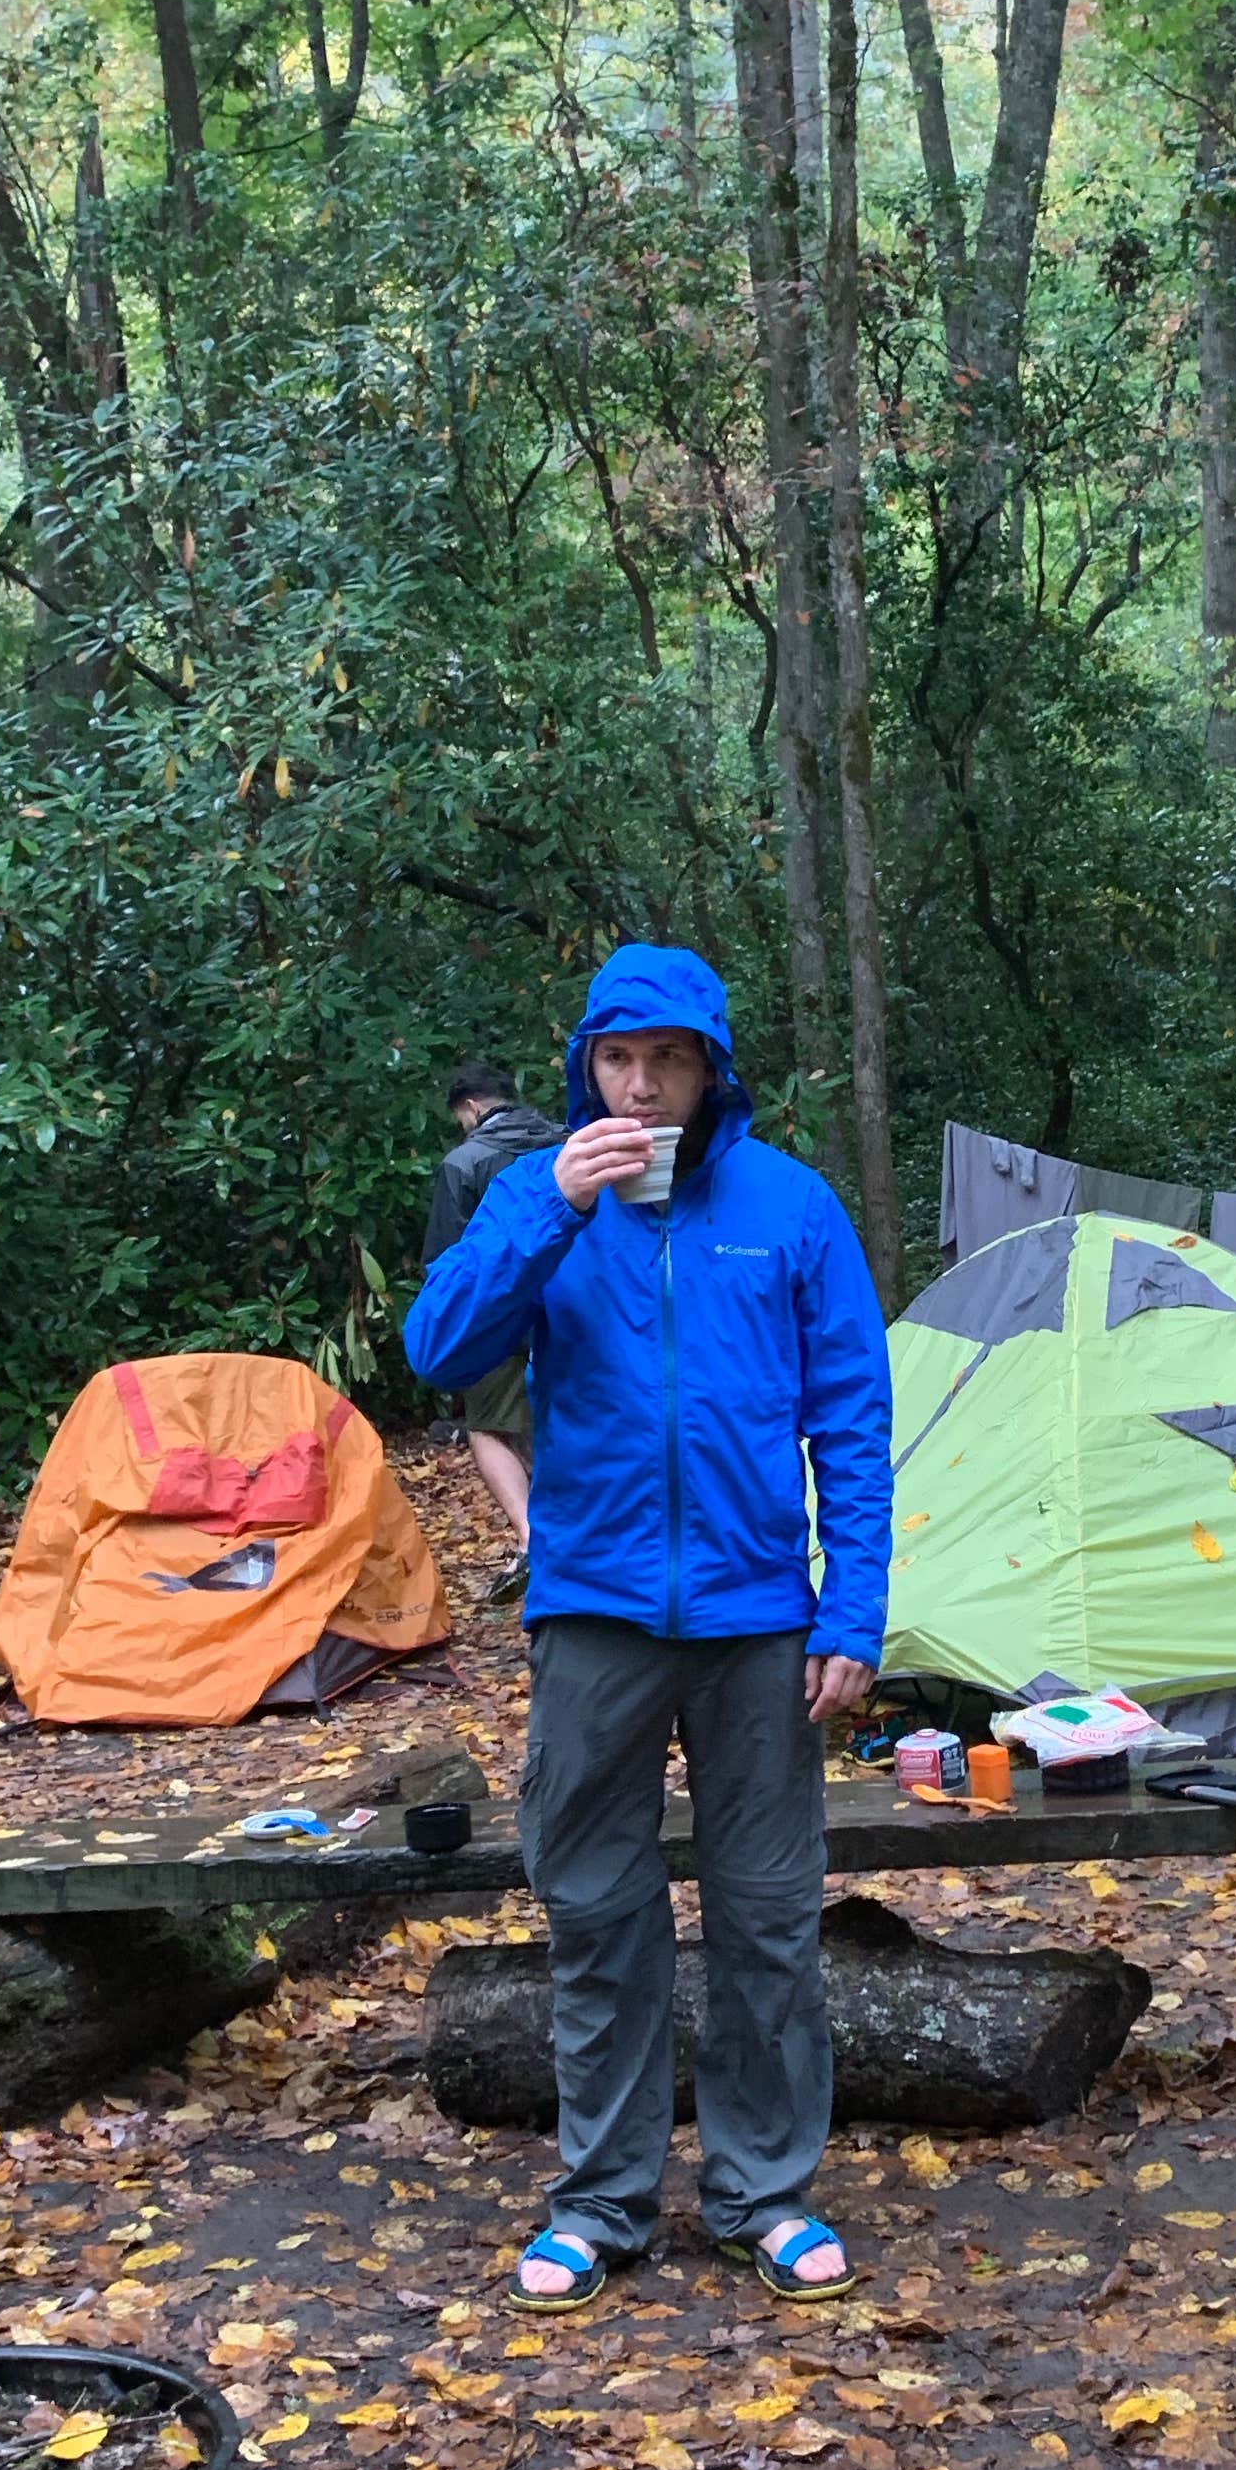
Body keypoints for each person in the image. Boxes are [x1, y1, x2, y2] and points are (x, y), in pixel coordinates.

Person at [403, 944, 890, 2313]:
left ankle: (762, 2194)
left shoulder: (789, 1208)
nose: (639, 1084)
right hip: (595, 1612)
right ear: (586, 1071)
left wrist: (850, 1604)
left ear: (708, 1070)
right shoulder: (531, 1196)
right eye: (617, 1060)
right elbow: (438, 1352)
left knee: (767, 1917)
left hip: (754, 1622)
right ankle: (603, 2202)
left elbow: (852, 1418)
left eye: (665, 1059)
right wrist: (544, 1213)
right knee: (597, 1909)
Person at [423, 1060, 562, 1596]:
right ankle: (571, 1532)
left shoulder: (465, 1162)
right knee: (555, 1423)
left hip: (500, 1318)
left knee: (488, 1426)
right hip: (575, 1315)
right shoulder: (569, 1143)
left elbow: (446, 1259)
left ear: (471, 1108)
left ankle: (533, 1541)